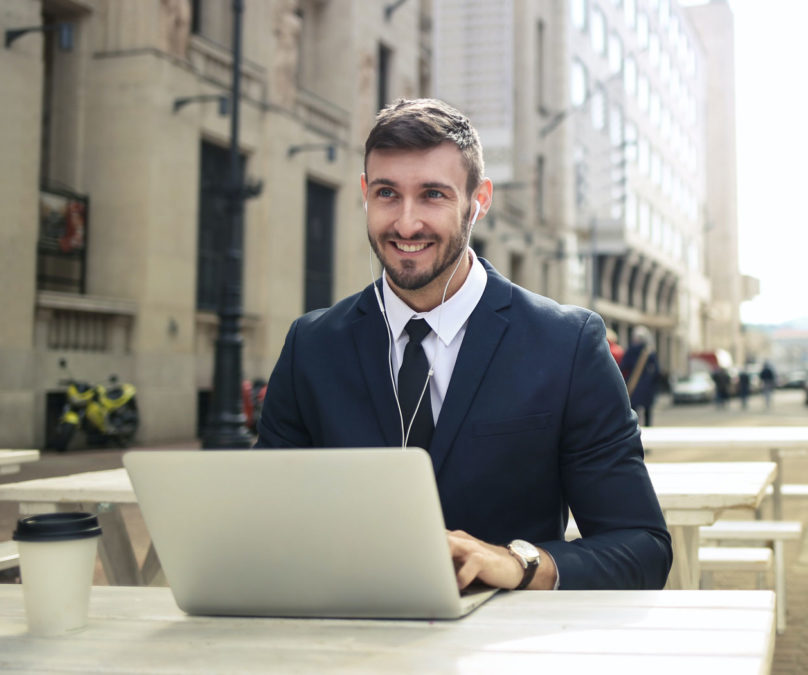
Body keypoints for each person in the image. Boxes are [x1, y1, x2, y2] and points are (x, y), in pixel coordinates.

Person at [256, 98, 671, 592]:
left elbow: (641, 547)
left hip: (502, 647)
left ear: (480, 200)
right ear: (365, 194)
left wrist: (519, 562)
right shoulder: (312, 345)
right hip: (346, 638)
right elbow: (267, 525)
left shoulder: (567, 344)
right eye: (388, 193)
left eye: (433, 194)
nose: (406, 224)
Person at [620, 326, 660, 427]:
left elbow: (623, 367)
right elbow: (656, 371)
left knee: (633, 409)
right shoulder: (649, 352)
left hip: (633, 384)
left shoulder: (630, 351)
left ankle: (634, 428)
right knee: (647, 410)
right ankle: (648, 427)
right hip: (647, 387)